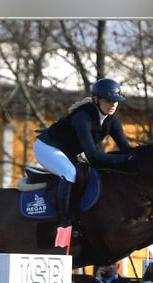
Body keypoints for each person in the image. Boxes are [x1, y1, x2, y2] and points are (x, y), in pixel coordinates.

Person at [33, 78, 136, 238]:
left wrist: (142, 158)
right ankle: (64, 222)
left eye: (116, 101)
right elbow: (93, 157)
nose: (113, 104)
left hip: (66, 152)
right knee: (69, 173)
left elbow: (127, 150)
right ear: (96, 99)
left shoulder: (112, 121)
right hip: (47, 148)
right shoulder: (83, 117)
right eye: (109, 100)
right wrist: (123, 160)